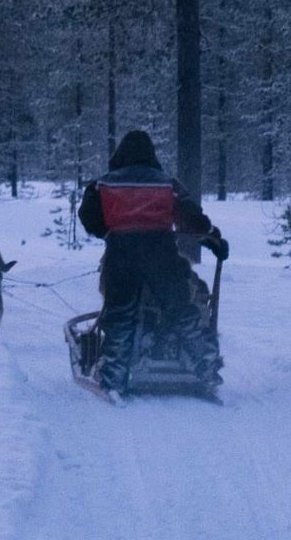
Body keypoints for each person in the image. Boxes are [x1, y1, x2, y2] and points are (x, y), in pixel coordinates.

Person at [79, 129, 229, 396]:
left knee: (120, 315)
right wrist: (212, 239)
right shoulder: (167, 184)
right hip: (160, 252)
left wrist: (110, 231)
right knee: (181, 309)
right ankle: (206, 367)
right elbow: (193, 219)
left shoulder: (103, 184)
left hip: (121, 253)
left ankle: (114, 378)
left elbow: (89, 216)